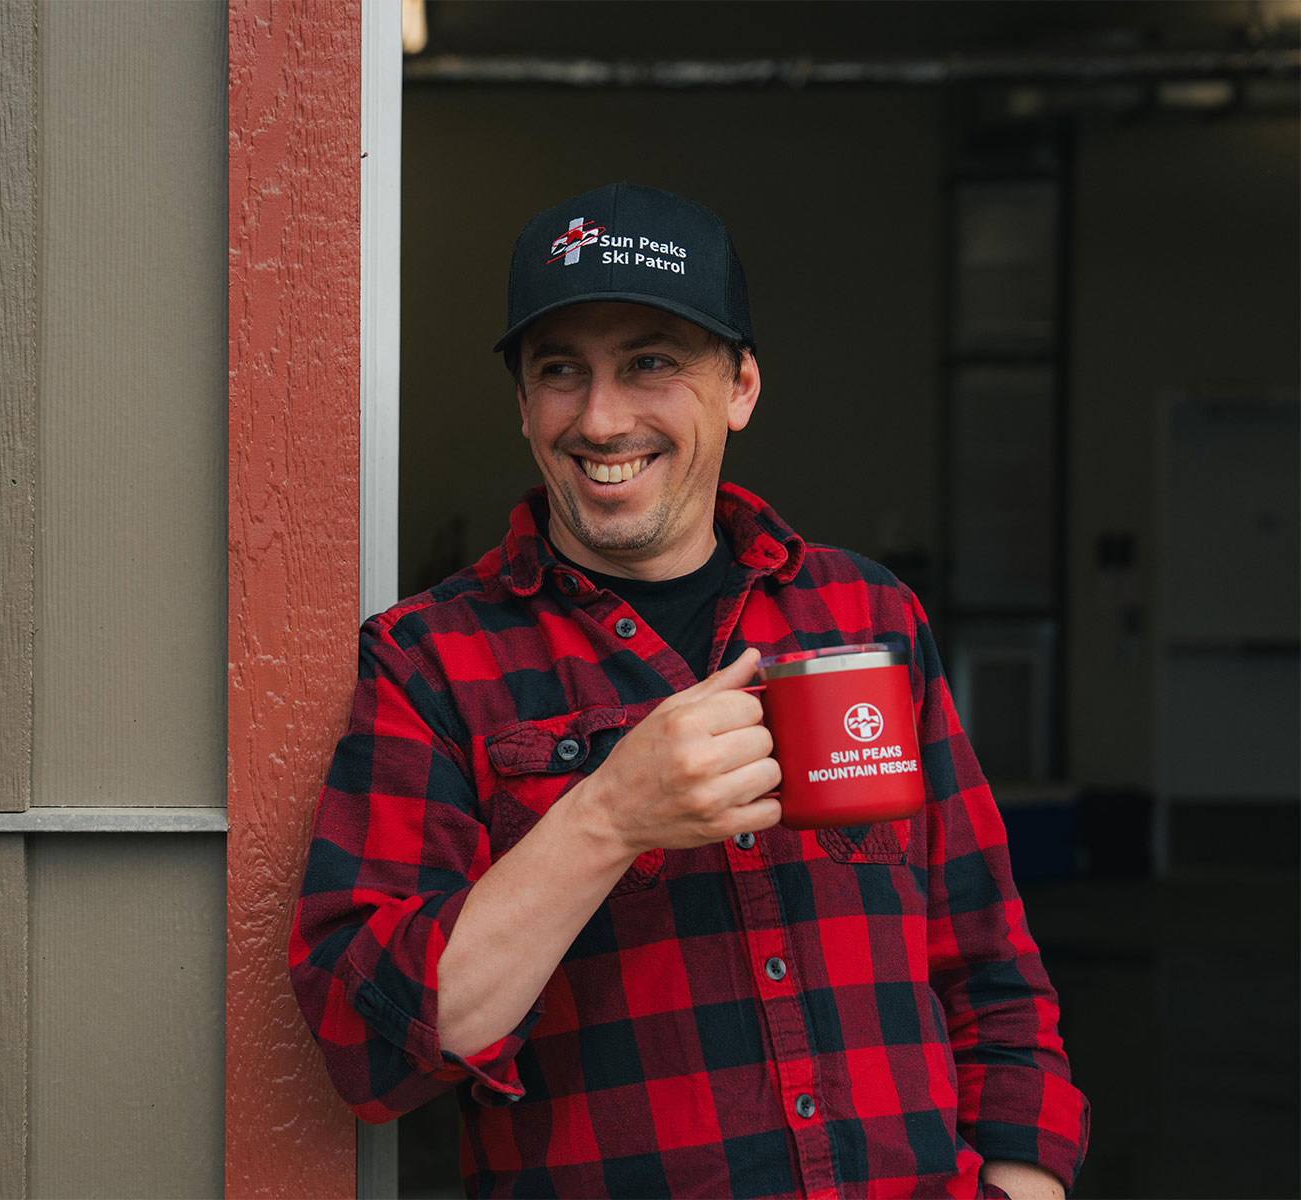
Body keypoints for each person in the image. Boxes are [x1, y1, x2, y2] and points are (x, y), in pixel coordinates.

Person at [289, 182, 1088, 1199]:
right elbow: (374, 1049)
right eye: (560, 372)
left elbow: (991, 966)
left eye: (650, 363)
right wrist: (608, 817)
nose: (603, 415)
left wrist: (1024, 1184)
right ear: (524, 407)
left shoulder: (867, 620)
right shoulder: (432, 661)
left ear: (742, 387)